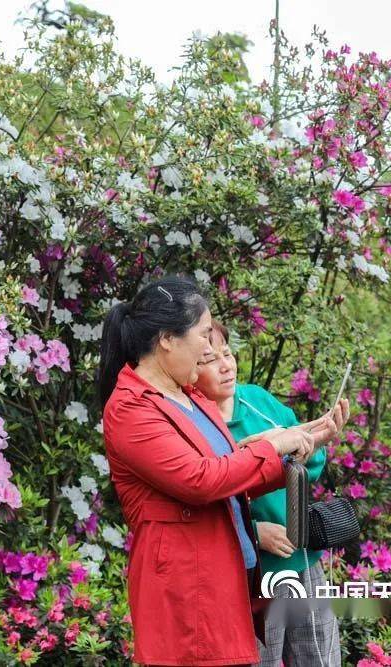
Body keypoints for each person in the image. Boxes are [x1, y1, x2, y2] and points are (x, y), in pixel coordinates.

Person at [98, 276, 322, 667]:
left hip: (227, 575)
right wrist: (273, 447)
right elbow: (199, 480)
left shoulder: (189, 396)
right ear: (168, 338)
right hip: (188, 589)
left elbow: (230, 471)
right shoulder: (130, 408)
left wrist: (294, 449)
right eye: (203, 335)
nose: (209, 348)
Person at [193, 319, 350, 667]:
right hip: (253, 572)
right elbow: (202, 497)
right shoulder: (194, 424)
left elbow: (310, 461)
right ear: (189, 367)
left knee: (321, 657)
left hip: (303, 560)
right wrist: (253, 532)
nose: (225, 365)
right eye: (209, 358)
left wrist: (316, 441)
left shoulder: (257, 401)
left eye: (228, 353)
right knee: (258, 659)